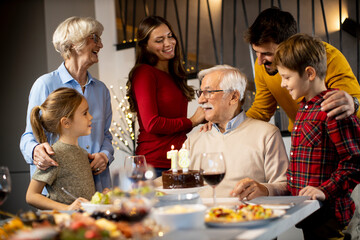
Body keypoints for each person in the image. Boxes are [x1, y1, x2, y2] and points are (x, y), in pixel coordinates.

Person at [274, 33, 360, 239]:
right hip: (308, 213)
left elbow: (355, 162)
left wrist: (324, 190)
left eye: (286, 77)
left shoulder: (334, 109)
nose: (282, 84)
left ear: (309, 73)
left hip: (328, 215)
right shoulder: (304, 109)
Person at [20, 16, 114, 192]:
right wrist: (35, 151)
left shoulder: (101, 90)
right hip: (59, 192)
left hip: (97, 188)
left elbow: (106, 136)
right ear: (73, 43)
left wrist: (105, 155)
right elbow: (28, 136)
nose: (100, 45)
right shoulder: (45, 84)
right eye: (95, 38)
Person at [244, 7, 360, 132]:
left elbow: (351, 103)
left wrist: (354, 104)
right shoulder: (262, 65)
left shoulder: (329, 57)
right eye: (256, 52)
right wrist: (232, 126)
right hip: (301, 135)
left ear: (289, 46)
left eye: (267, 53)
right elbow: (262, 109)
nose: (260, 61)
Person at [182, 65, 289, 199]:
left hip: (247, 217)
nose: (201, 100)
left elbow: (285, 185)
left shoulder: (267, 134)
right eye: (201, 92)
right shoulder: (193, 140)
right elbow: (173, 181)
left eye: (209, 92)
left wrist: (265, 189)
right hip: (201, 218)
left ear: (233, 96)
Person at [126, 16, 205, 177]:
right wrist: (192, 121)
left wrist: (202, 121)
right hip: (152, 165)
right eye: (159, 40)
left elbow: (175, 124)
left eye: (170, 36)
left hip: (177, 162)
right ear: (145, 46)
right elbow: (152, 124)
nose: (168, 43)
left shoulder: (175, 74)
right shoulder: (144, 73)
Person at [26, 88, 95, 210]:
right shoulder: (54, 155)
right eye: (85, 113)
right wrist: (67, 208)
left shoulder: (84, 154)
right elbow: (31, 196)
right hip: (63, 225)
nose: (91, 117)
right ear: (66, 123)